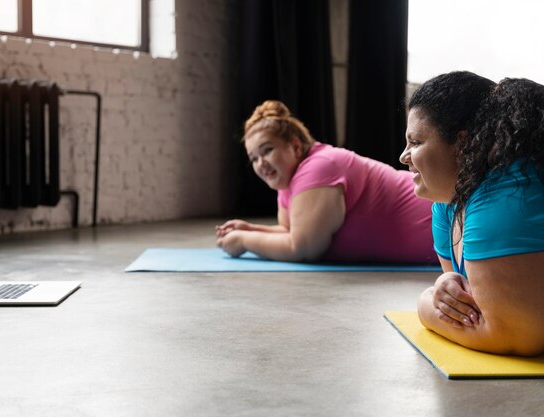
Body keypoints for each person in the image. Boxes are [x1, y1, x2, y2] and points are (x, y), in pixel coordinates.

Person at [400, 72, 544, 356]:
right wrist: (443, 286)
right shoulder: (446, 203)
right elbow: (465, 303)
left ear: (462, 144)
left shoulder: (504, 193)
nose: (404, 156)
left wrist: (425, 304)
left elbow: (517, 335)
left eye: (415, 142)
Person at [215, 100, 435, 263]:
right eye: (254, 158)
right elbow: (291, 230)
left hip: (451, 216)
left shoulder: (319, 167)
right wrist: (252, 229)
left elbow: (303, 247)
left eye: (267, 150)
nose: (260, 163)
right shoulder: (287, 181)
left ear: (295, 146)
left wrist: (244, 240)